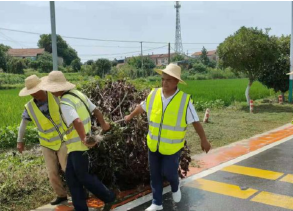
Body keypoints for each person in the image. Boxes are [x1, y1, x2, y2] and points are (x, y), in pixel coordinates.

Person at [124, 64, 211, 211]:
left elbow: (195, 121)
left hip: (172, 147)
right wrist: (131, 115)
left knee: (169, 172)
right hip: (153, 144)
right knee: (155, 174)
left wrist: (204, 139)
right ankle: (157, 203)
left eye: (168, 80)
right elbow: (143, 106)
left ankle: (175, 186)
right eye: (163, 79)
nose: (164, 83)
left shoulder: (184, 100)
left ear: (176, 82)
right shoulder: (154, 94)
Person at [40, 71, 116, 211]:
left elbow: (77, 121)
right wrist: (104, 125)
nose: (49, 91)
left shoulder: (65, 102)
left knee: (83, 176)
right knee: (71, 177)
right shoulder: (78, 94)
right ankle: (81, 207)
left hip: (78, 145)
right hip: (75, 146)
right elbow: (97, 111)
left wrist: (84, 139)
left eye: (50, 88)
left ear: (57, 88)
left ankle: (109, 197)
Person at [17, 75, 69, 205]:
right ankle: (61, 195)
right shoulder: (29, 107)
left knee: (67, 168)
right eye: (31, 92)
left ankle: (78, 193)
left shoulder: (54, 96)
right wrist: (20, 141)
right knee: (52, 172)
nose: (33, 94)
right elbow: (23, 124)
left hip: (62, 139)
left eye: (35, 91)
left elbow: (67, 113)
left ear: (41, 88)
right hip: (46, 143)